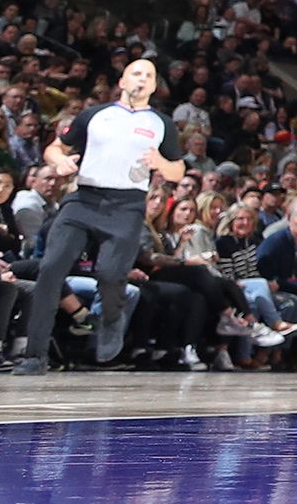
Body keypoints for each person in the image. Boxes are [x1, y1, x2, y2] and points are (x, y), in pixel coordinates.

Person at [10, 57, 183, 372]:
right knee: (50, 268)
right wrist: (58, 161)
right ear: (122, 81)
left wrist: (162, 162)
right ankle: (35, 355)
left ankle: (112, 318)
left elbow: (178, 169)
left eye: (148, 75)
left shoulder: (161, 124)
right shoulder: (95, 115)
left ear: (155, 85)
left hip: (127, 204)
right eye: (135, 73)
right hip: (84, 198)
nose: (141, 79)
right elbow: (55, 147)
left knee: (110, 273)